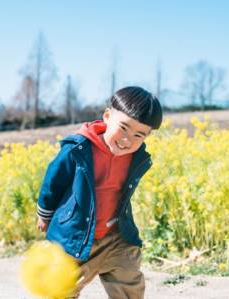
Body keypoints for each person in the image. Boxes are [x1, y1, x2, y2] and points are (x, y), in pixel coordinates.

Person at [36, 86, 163, 298]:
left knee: (129, 280)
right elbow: (53, 182)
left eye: (138, 135)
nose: (127, 139)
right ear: (107, 116)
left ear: (148, 136)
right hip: (76, 236)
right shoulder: (78, 149)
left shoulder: (136, 157)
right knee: (62, 288)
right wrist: (44, 214)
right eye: (123, 128)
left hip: (116, 236)